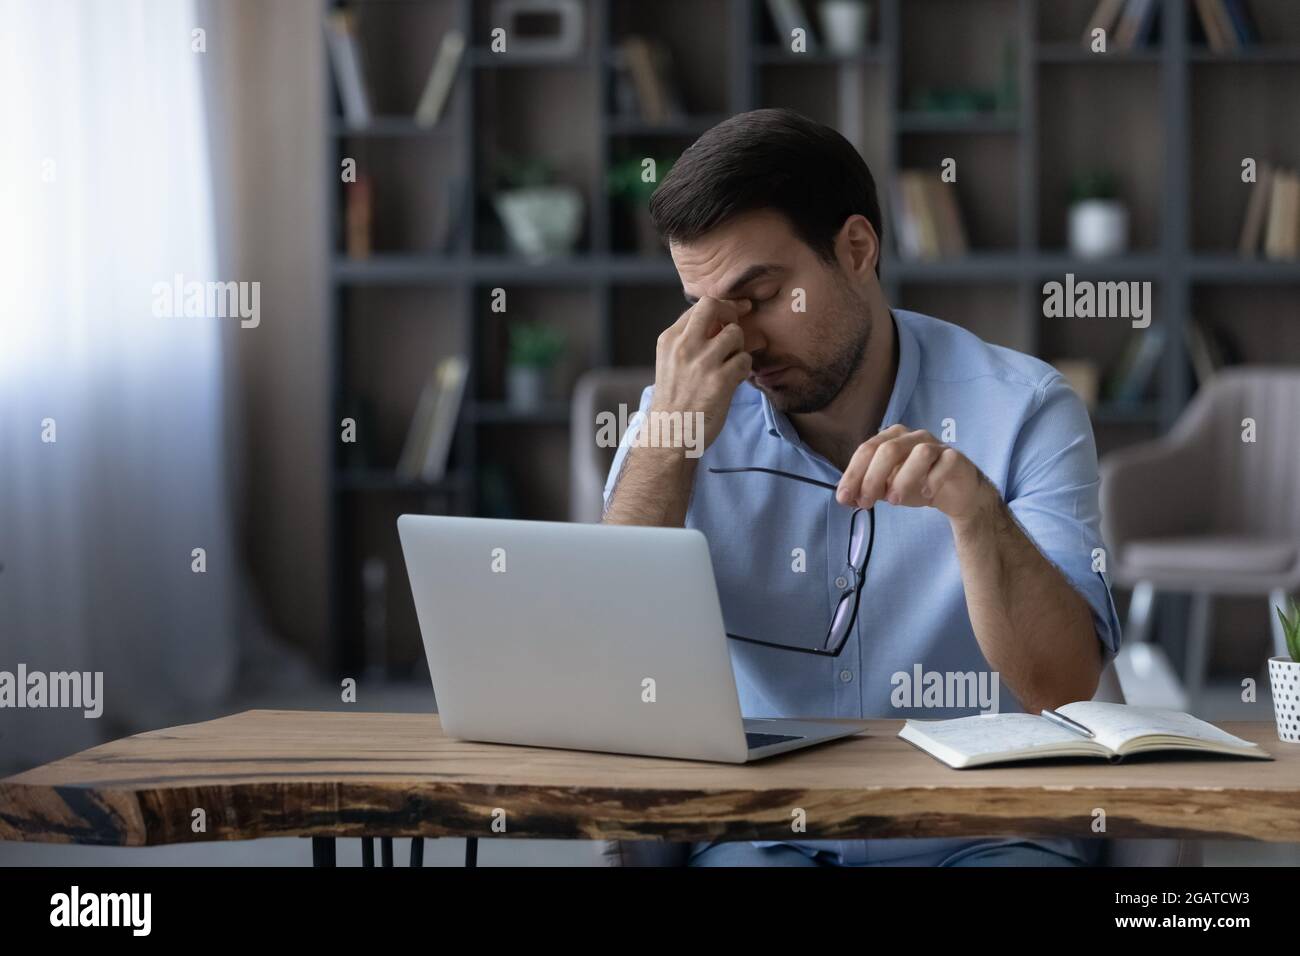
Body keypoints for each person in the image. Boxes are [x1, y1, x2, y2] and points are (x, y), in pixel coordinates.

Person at [601, 108, 1122, 867]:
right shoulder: (678, 416)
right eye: (706, 310)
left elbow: (1064, 686)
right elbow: (614, 659)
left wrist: (976, 514)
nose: (740, 342)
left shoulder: (1024, 409)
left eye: (764, 295)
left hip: (982, 831)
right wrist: (670, 437)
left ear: (855, 248)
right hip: (765, 833)